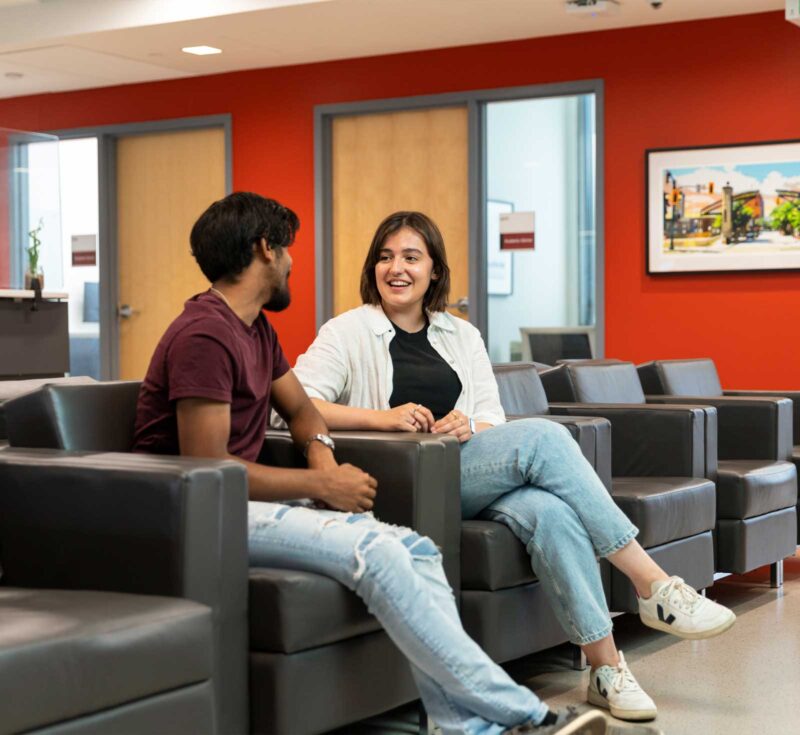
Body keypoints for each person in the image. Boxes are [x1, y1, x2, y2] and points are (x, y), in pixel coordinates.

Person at [132, 192, 661, 735]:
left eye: (411, 257)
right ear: (265, 251)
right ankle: (529, 718)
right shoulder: (205, 334)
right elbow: (207, 471)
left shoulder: (253, 329)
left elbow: (302, 411)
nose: (293, 261)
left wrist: (321, 452)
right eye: (286, 249)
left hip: (243, 501)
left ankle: (463, 726)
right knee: (379, 549)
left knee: (419, 551)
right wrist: (321, 482)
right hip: (202, 514)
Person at [287, 210, 737, 723]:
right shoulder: (347, 330)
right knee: (546, 437)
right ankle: (652, 585)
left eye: (412, 257)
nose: (397, 268)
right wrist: (383, 420)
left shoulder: (461, 334)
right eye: (386, 258)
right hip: (403, 481)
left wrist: (466, 428)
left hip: (466, 470)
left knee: (549, 511)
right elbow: (301, 402)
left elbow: (490, 420)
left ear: (434, 270)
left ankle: (605, 668)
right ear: (373, 269)